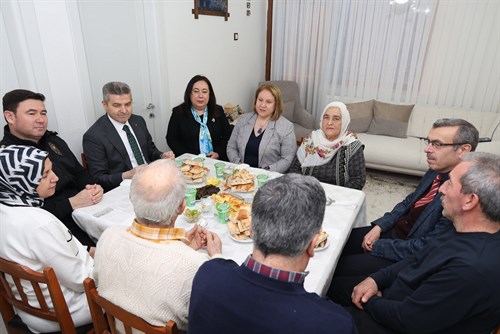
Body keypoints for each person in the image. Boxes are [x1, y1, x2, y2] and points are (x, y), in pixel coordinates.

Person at [328, 118, 479, 302]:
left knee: (335, 271)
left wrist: (379, 246)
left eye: (437, 144)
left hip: (404, 255)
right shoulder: (436, 169)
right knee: (335, 240)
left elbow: (425, 248)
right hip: (393, 233)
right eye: (429, 141)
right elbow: (409, 202)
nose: (427, 149)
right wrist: (380, 227)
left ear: (464, 150)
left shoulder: (461, 195)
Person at [348, 152, 500, 334]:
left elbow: (409, 320)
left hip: (394, 321)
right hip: (393, 298)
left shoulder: (470, 268)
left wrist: (371, 302)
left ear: (470, 200)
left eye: (450, 182)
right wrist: (377, 278)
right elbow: (417, 258)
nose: (442, 189)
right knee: (332, 278)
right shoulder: (461, 228)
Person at [188, 173, 356, 334]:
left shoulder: (206, 274)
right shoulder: (334, 324)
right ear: (313, 245)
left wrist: (217, 258)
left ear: (251, 230)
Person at [92, 159, 222, 332]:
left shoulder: (108, 236)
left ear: (131, 198)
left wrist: (182, 245)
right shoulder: (196, 266)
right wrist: (217, 260)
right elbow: (216, 315)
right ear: (181, 207)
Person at [0, 145, 93, 333]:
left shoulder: (6, 210)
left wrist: (88, 250)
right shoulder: (39, 223)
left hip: (28, 308)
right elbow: (81, 280)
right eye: (45, 174)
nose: (56, 177)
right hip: (66, 311)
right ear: (20, 180)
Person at [1, 89, 102, 246]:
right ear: (10, 117)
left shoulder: (54, 140)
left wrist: (94, 188)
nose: (41, 119)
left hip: (88, 209)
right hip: (54, 226)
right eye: (31, 113)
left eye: (43, 113)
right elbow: (22, 215)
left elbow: (80, 173)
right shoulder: (8, 159)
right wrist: (72, 203)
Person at [83, 81, 174, 191]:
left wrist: (162, 156)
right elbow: (98, 178)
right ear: (104, 105)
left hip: (151, 180)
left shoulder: (138, 121)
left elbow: (151, 151)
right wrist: (127, 175)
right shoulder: (94, 136)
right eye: (117, 105)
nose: (124, 110)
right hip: (124, 188)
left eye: (128, 104)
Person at [288, 101, 366, 189]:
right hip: (306, 190)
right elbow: (294, 168)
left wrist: (336, 194)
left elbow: (358, 180)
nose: (329, 122)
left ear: (344, 122)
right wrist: (302, 188)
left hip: (337, 196)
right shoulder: (311, 139)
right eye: (326, 117)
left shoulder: (352, 146)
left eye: (336, 118)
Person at [227, 83, 297, 173]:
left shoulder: (286, 127)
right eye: (260, 100)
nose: (262, 105)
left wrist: (265, 172)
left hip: (268, 177)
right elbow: (231, 147)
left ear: (276, 105)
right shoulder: (243, 120)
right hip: (242, 174)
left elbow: (287, 158)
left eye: (268, 102)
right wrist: (239, 165)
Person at [166, 75, 232, 161]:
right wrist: (189, 157)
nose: (200, 96)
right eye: (196, 91)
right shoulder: (178, 113)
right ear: (189, 93)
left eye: (204, 92)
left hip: (217, 161)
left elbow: (228, 136)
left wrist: (218, 153)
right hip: (189, 162)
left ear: (209, 94)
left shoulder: (218, 110)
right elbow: (171, 139)